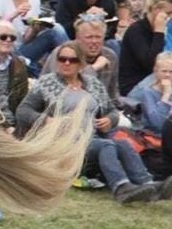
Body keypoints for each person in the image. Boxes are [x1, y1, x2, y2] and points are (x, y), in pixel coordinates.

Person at [16, 41, 172, 204]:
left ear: (81, 64)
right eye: (62, 59)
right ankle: (121, 187)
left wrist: (109, 120)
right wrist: (46, 120)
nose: (66, 63)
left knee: (123, 144)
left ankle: (149, 185)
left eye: (72, 60)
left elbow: (112, 111)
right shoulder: (47, 83)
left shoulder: (93, 84)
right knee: (106, 145)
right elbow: (23, 111)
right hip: (64, 142)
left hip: (92, 137)